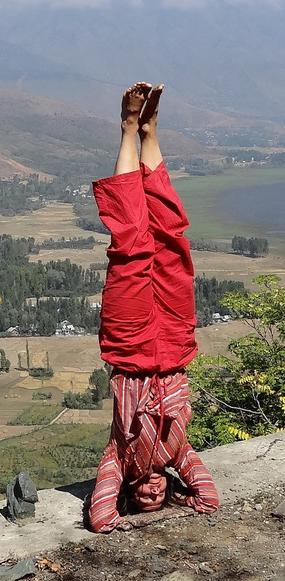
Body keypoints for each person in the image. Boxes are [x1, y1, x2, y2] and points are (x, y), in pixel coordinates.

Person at [88, 82, 219, 533]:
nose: (151, 494)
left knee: (131, 242)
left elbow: (102, 517)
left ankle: (127, 130)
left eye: (141, 497)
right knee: (172, 239)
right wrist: (184, 494)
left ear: (127, 489)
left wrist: (124, 511)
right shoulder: (178, 455)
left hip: (129, 348)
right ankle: (151, 132)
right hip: (175, 341)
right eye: (156, 498)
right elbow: (209, 496)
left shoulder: (119, 458)